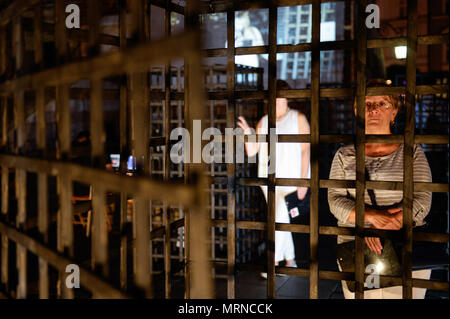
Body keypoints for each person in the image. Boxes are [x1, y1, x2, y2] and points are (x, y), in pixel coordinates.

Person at [328, 79, 432, 299]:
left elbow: (423, 199)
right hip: (356, 245)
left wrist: (391, 223)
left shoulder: (411, 151)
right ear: (357, 111)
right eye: (366, 104)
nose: (373, 110)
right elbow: (335, 200)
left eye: (382, 103)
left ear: (394, 111)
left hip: (404, 241)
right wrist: (373, 218)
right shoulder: (344, 154)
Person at [237, 80, 311, 277]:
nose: (277, 101)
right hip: (268, 179)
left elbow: (306, 151)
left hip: (291, 179)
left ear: (287, 98)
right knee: (279, 219)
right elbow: (253, 151)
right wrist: (247, 132)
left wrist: (304, 181)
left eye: (280, 97)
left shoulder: (298, 118)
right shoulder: (264, 121)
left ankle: (274, 261)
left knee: (277, 219)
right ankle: (290, 261)